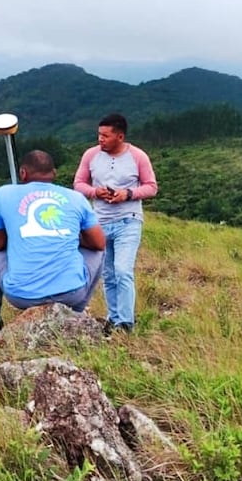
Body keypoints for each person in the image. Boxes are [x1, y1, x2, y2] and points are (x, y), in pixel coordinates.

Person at [0, 150, 106, 342]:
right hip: (72, 294)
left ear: (23, 173)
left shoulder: (5, 193)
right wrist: (73, 238)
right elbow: (99, 243)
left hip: (20, 295)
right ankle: (76, 314)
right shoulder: (76, 198)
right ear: (54, 173)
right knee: (99, 250)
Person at [73, 113, 158, 334]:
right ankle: (114, 318)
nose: (100, 139)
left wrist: (127, 194)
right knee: (108, 274)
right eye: (99, 134)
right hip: (99, 222)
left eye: (106, 136)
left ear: (120, 136)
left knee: (123, 270)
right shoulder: (91, 155)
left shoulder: (138, 156)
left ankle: (126, 323)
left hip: (128, 220)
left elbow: (151, 187)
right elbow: (78, 183)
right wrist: (95, 192)